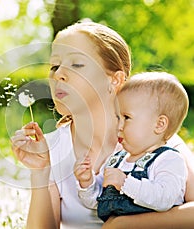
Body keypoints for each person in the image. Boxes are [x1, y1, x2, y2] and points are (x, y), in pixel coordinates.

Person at [10, 20, 194, 229]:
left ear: (114, 80)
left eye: (76, 64)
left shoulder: (156, 141)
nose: (58, 74)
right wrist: (40, 172)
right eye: (54, 65)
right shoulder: (50, 151)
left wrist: (123, 225)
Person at [75, 72, 188, 222]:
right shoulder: (116, 160)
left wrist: (125, 183)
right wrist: (87, 182)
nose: (119, 125)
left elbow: (164, 199)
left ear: (159, 124)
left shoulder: (169, 159)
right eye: (117, 117)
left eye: (127, 117)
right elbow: (97, 202)